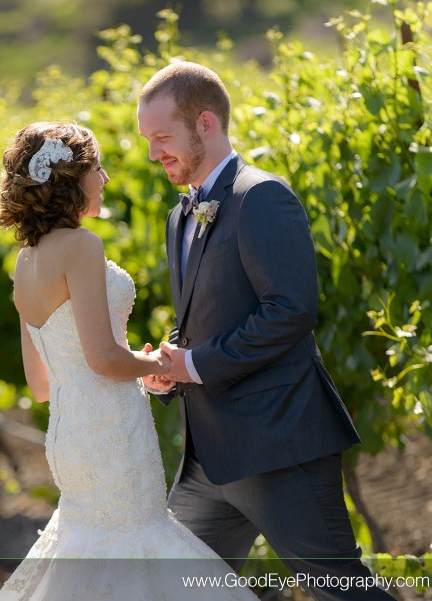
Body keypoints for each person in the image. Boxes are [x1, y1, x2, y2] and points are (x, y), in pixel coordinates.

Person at [136, 62, 395, 601]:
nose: (154, 152)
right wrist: (171, 367)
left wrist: (195, 364)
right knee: (170, 589)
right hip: (209, 457)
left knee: (343, 593)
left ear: (206, 123)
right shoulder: (179, 214)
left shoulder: (262, 197)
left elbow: (289, 311)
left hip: (278, 449)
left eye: (163, 137)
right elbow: (211, 314)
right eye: (149, 139)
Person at [0, 122, 257, 601]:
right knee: (136, 541)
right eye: (96, 168)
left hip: (68, 436)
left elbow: (40, 384)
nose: (106, 179)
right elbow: (105, 360)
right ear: (70, 180)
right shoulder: (81, 246)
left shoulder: (26, 261)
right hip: (111, 434)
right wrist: (156, 362)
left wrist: (136, 367)